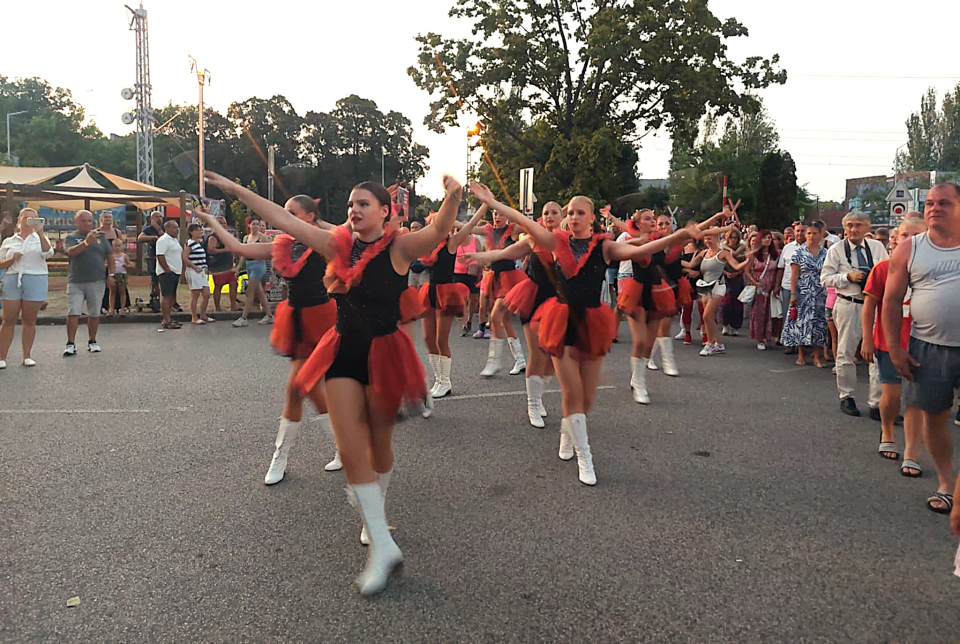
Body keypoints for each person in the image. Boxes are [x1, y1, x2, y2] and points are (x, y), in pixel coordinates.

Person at [207, 169, 461, 595]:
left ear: (385, 211)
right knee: (348, 447)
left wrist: (452, 197)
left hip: (385, 353)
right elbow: (284, 220)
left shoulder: (399, 248)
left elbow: (437, 230)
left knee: (380, 445)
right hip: (342, 349)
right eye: (350, 204)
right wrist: (235, 188)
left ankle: (375, 514)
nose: (355, 210)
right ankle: (381, 542)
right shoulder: (334, 245)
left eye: (364, 204)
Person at [471, 182, 701, 485]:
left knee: (588, 398)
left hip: (592, 322)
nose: (575, 217)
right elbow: (525, 222)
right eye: (571, 212)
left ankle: (569, 435)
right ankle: (585, 456)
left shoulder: (605, 246)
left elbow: (642, 249)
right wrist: (492, 202)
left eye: (581, 213)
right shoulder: (555, 241)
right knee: (572, 392)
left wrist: (680, 236)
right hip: (560, 320)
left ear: (592, 218)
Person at [196, 194, 341, 485]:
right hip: (298, 319)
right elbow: (239, 248)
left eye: (291, 214)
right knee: (306, 389)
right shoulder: (282, 245)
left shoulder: (324, 241)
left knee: (300, 387)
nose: (282, 218)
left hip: (323, 320)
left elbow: (347, 237)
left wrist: (318, 221)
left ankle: (283, 456)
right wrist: (212, 222)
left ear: (310, 218)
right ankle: (334, 448)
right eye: (282, 213)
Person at [884, 183, 960, 516]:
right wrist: (895, 350)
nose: (934, 208)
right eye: (929, 203)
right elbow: (889, 300)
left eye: (944, 202)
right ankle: (947, 485)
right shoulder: (910, 248)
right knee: (934, 419)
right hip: (928, 348)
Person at [462, 201, 562, 427]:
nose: (549, 216)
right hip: (534, 298)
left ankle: (539, 394)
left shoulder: (570, 241)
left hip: (559, 304)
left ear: (561, 215)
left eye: (554, 212)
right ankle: (533, 404)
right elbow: (506, 253)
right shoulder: (533, 238)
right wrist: (484, 258)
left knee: (553, 359)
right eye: (545, 213)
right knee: (537, 355)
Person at [862, 218, 926, 474]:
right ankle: (887, 431)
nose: (909, 240)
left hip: (924, 342)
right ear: (895, 239)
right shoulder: (882, 268)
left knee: (917, 399)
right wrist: (867, 338)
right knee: (892, 394)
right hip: (889, 342)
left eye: (916, 235)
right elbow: (869, 306)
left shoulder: (936, 268)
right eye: (904, 235)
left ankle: (911, 449)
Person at [820, 211, 888, 417]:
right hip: (849, 303)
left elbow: (887, 272)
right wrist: (847, 277)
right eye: (849, 225)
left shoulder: (877, 248)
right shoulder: (836, 250)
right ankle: (846, 396)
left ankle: (876, 403)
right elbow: (825, 278)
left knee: (876, 353)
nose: (853, 229)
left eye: (858, 225)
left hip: (874, 305)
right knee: (846, 351)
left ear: (867, 228)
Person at [419, 205, 487, 399]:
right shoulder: (427, 244)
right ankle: (438, 379)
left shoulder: (451, 242)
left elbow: (471, 225)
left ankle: (445, 381)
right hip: (429, 290)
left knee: (441, 340)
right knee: (427, 339)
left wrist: (485, 204)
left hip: (446, 292)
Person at [687, 217, 753, 357]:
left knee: (706, 315)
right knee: (709, 318)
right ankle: (720, 344)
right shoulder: (703, 253)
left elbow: (735, 266)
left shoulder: (723, 253)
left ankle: (710, 343)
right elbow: (690, 265)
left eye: (710, 238)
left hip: (718, 286)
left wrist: (748, 260)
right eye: (706, 238)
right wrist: (669, 262)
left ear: (717, 238)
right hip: (705, 286)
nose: (707, 241)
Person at [476, 210, 527, 376]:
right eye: (495, 214)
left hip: (510, 279)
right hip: (495, 278)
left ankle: (494, 362)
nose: (497, 217)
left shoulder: (512, 229)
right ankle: (520, 360)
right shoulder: (488, 230)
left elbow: (530, 224)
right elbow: (466, 227)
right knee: (505, 320)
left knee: (495, 316)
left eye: (500, 214)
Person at [0, 209, 52, 368]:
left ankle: (27, 356)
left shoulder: (40, 238)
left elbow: (48, 253)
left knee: (29, 320)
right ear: (19, 220)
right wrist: (11, 258)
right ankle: (2, 357)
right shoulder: (9, 241)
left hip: (35, 277)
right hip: (12, 277)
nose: (28, 221)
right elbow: (1, 264)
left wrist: (41, 233)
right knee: (9, 319)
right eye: (26, 218)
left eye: (33, 219)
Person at [64, 210, 114, 355]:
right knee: (74, 311)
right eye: (83, 221)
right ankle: (70, 343)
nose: (87, 224)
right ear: (76, 222)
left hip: (97, 280)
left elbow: (110, 256)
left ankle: (92, 341)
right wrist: (86, 243)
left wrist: (111, 274)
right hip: (76, 281)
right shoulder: (71, 237)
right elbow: (71, 252)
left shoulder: (101, 237)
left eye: (89, 221)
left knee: (94, 312)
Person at [782, 222, 829, 367]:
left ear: (821, 235)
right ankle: (801, 355)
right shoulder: (798, 252)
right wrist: (793, 293)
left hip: (820, 292)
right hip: (803, 291)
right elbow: (794, 275)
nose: (811, 236)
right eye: (809, 233)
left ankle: (817, 356)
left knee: (819, 324)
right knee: (801, 323)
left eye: (815, 233)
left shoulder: (826, 253)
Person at [233, 217, 274, 327]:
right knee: (259, 292)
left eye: (257, 224)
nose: (256, 226)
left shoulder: (263, 237)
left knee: (249, 291)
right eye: (254, 224)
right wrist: (238, 267)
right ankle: (269, 315)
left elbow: (270, 252)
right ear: (249, 225)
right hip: (249, 265)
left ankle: (244, 317)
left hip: (259, 265)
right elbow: (243, 254)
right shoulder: (246, 238)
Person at [745, 230, 779, 350]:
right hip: (759, 286)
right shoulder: (753, 255)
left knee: (770, 312)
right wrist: (754, 283)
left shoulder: (776, 255)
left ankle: (768, 336)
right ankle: (759, 338)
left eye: (769, 238)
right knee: (759, 312)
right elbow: (747, 271)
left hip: (771, 286)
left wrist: (776, 285)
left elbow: (778, 270)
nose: (767, 240)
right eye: (764, 238)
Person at [775, 222, 804, 352]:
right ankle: (789, 343)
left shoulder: (813, 248)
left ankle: (801, 343)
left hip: (805, 287)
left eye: (802, 231)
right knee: (789, 314)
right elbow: (780, 268)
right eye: (797, 231)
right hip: (787, 286)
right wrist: (777, 285)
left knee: (803, 316)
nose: (799, 233)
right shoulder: (788, 248)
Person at [454, 224, 483, 336]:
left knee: (472, 298)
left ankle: (470, 319)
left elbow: (480, 257)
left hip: (472, 272)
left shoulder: (475, 241)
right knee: (462, 299)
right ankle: (464, 323)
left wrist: (480, 272)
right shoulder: (455, 241)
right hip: (458, 272)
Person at [206, 215, 240, 312]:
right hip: (219, 267)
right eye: (220, 223)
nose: (222, 225)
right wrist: (225, 250)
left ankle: (233, 305)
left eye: (224, 223)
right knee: (218, 286)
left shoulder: (227, 235)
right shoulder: (213, 237)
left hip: (229, 265)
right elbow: (210, 250)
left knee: (234, 284)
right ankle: (217, 307)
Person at [183, 223, 214, 325]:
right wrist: (194, 267)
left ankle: (203, 315)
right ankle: (194, 317)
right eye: (197, 230)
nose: (200, 232)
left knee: (206, 293)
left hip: (201, 271)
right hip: (194, 271)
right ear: (191, 232)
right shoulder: (190, 243)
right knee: (195, 294)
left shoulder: (199, 243)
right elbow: (185, 257)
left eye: (200, 230)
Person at [155, 220, 184, 330]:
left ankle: (169, 318)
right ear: (167, 229)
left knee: (172, 296)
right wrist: (167, 269)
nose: (177, 230)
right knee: (166, 296)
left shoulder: (174, 240)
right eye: (174, 228)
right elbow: (160, 255)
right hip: (166, 273)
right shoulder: (163, 240)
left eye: (177, 228)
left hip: (175, 271)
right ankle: (166, 320)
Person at [719, 227, 747, 337]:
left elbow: (746, 263)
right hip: (725, 278)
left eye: (735, 237)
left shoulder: (743, 248)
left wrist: (737, 273)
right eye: (731, 237)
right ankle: (725, 324)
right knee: (725, 303)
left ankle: (735, 326)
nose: (733, 240)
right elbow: (719, 263)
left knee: (737, 304)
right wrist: (726, 273)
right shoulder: (722, 248)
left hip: (738, 278)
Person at [97, 212, 126, 315]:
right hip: (101, 262)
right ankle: (103, 306)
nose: (108, 219)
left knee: (117, 285)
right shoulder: (97, 232)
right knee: (103, 286)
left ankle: (119, 307)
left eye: (110, 217)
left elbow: (121, 246)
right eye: (105, 217)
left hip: (116, 263)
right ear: (101, 219)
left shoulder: (117, 232)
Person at [137, 211, 165, 312]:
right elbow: (140, 238)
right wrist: (153, 237)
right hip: (153, 257)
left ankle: (171, 302)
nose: (159, 218)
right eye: (156, 217)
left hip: (166, 257)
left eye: (160, 217)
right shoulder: (149, 229)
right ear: (151, 218)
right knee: (155, 280)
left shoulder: (165, 228)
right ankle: (156, 299)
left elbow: (164, 237)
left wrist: (158, 229)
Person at [109, 238, 132, 315]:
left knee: (122, 292)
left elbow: (130, 265)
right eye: (115, 246)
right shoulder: (110, 256)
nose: (117, 248)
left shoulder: (124, 256)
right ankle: (111, 308)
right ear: (112, 247)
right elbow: (105, 264)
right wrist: (108, 265)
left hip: (122, 274)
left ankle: (122, 308)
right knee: (112, 292)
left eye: (119, 246)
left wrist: (126, 266)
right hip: (113, 275)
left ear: (122, 246)